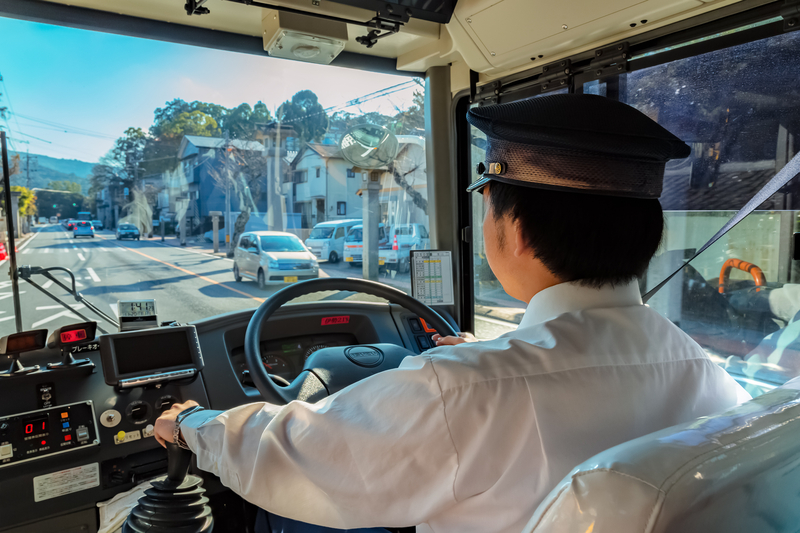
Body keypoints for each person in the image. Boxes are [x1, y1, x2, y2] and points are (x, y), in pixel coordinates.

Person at [154, 94, 750, 533]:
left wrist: (191, 425)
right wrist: (481, 358)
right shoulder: (710, 373)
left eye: (486, 201)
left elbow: (292, 457)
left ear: (512, 228)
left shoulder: (460, 390)